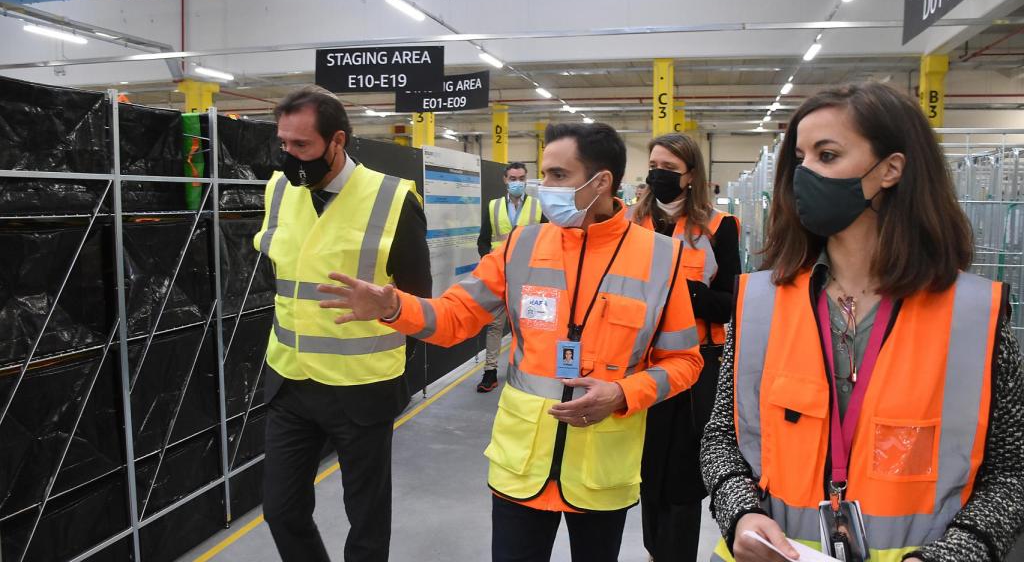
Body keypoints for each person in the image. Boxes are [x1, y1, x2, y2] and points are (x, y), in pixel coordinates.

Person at [319, 122, 704, 562]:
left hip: (602, 472)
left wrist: (622, 392)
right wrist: (394, 308)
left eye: (559, 175)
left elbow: (684, 362)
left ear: (602, 182)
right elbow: (453, 318)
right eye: (543, 174)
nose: (545, 187)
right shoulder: (521, 245)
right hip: (521, 466)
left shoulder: (660, 258)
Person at [700, 82, 1024, 562]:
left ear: (890, 169)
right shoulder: (761, 301)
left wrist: (955, 553)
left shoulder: (974, 314)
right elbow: (721, 438)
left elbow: (1011, 470)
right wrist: (741, 514)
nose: (802, 173)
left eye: (826, 155)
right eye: (800, 158)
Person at [253, 85, 431, 562]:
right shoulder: (277, 191)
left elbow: (418, 301)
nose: (289, 156)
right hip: (291, 382)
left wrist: (388, 343)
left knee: (367, 521)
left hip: (362, 386)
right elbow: (280, 277)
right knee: (281, 509)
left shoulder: (392, 199)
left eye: (302, 146)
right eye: (283, 144)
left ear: (337, 141)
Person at [629, 133, 740, 562]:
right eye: (653, 166)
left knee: (680, 477)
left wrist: (684, 292)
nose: (658, 175)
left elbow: (730, 305)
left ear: (691, 175)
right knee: (645, 470)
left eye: (669, 169)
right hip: (637, 364)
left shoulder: (719, 226)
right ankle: (656, 551)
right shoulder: (629, 222)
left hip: (695, 368)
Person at [476, 162, 544, 392]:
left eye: (521, 178)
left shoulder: (537, 206)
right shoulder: (493, 206)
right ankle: (490, 371)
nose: (517, 182)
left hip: (528, 277)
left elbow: (547, 239)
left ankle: (525, 369)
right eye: (513, 178)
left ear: (526, 179)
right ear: (505, 180)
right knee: (495, 325)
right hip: (500, 277)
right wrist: (490, 262)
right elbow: (483, 239)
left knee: (527, 325)